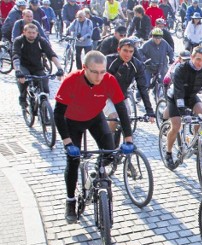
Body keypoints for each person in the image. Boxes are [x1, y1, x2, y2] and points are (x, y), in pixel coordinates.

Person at [53, 51, 134, 223]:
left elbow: (121, 108)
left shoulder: (109, 80)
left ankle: (97, 175)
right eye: (95, 72)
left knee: (110, 153)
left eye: (102, 72)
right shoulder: (71, 80)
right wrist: (67, 142)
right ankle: (70, 201)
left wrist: (128, 137)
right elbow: (58, 114)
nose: (99, 77)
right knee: (73, 161)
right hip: (72, 121)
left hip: (95, 118)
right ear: (84, 68)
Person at [163, 47, 202, 169]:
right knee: (176, 126)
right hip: (175, 98)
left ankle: (199, 141)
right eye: (198, 59)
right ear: (192, 57)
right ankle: (168, 152)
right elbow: (179, 92)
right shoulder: (181, 69)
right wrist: (183, 112)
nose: (200, 63)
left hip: (191, 97)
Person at [105, 38, 155, 133]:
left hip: (122, 97)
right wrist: (118, 72)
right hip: (106, 97)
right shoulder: (109, 61)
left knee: (127, 121)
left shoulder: (137, 65)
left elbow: (142, 88)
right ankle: (108, 142)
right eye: (125, 50)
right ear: (119, 49)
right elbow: (103, 83)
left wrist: (149, 111)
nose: (128, 54)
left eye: (131, 51)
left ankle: (124, 142)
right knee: (114, 118)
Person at [13, 23, 64, 109]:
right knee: (23, 80)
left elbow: (51, 54)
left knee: (44, 85)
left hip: (37, 66)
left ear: (37, 33)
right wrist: (18, 70)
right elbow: (15, 56)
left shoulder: (41, 41)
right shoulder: (19, 41)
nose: (31, 35)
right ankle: (23, 99)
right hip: (23, 66)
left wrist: (59, 68)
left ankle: (44, 107)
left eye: (33, 33)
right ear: (24, 32)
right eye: (29, 32)